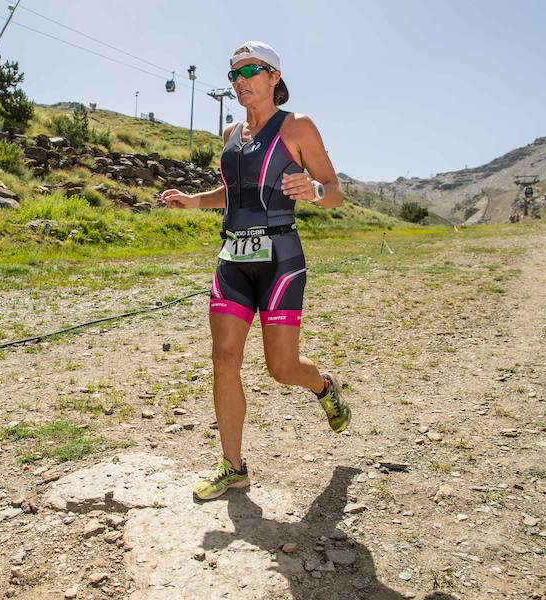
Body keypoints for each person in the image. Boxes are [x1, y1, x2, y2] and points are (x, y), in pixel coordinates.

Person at [161, 41, 351, 501]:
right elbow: (235, 194)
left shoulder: (298, 126)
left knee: (281, 368)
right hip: (232, 258)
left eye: (249, 70)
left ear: (273, 77)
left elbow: (335, 192)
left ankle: (324, 386)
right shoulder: (230, 132)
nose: (240, 80)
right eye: (233, 74)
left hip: (280, 258)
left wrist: (313, 190)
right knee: (224, 357)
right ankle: (233, 466)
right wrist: (195, 201)